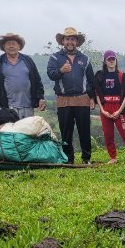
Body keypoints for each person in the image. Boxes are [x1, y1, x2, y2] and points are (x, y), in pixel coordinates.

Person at [47, 27, 95, 165]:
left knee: (84, 130)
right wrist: (61, 70)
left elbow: (90, 80)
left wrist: (92, 98)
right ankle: (68, 159)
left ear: (77, 42)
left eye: (73, 39)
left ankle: (86, 158)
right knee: (66, 132)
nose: (70, 42)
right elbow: (51, 74)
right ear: (63, 41)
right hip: (64, 100)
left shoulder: (85, 59)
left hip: (82, 99)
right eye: (67, 39)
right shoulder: (55, 57)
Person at [94, 50, 125, 164]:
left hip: (119, 107)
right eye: (109, 59)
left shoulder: (122, 76)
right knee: (108, 134)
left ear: (116, 60)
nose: (111, 61)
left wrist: (119, 111)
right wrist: (102, 110)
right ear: (105, 61)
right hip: (106, 107)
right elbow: (97, 94)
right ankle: (113, 157)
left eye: (113, 59)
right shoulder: (99, 76)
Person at [0, 33, 45, 119]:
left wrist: (40, 97)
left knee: (26, 132)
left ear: (19, 46)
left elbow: (37, 81)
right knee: (11, 132)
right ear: (4, 46)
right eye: (8, 43)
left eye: (14, 43)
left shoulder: (27, 61)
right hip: (7, 107)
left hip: (28, 106)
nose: (11, 46)